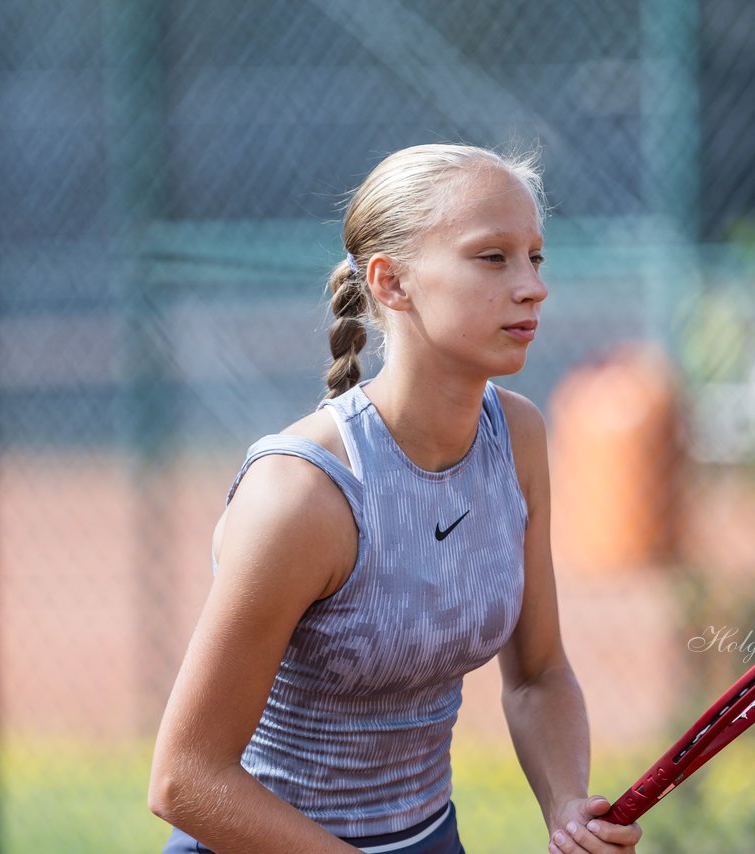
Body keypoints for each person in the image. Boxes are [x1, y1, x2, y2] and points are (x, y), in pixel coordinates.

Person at [148, 143, 643, 854]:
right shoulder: (302, 494)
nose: (532, 285)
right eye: (491, 257)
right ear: (391, 282)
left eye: (536, 257)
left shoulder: (520, 437)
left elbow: (538, 676)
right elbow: (184, 779)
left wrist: (567, 805)